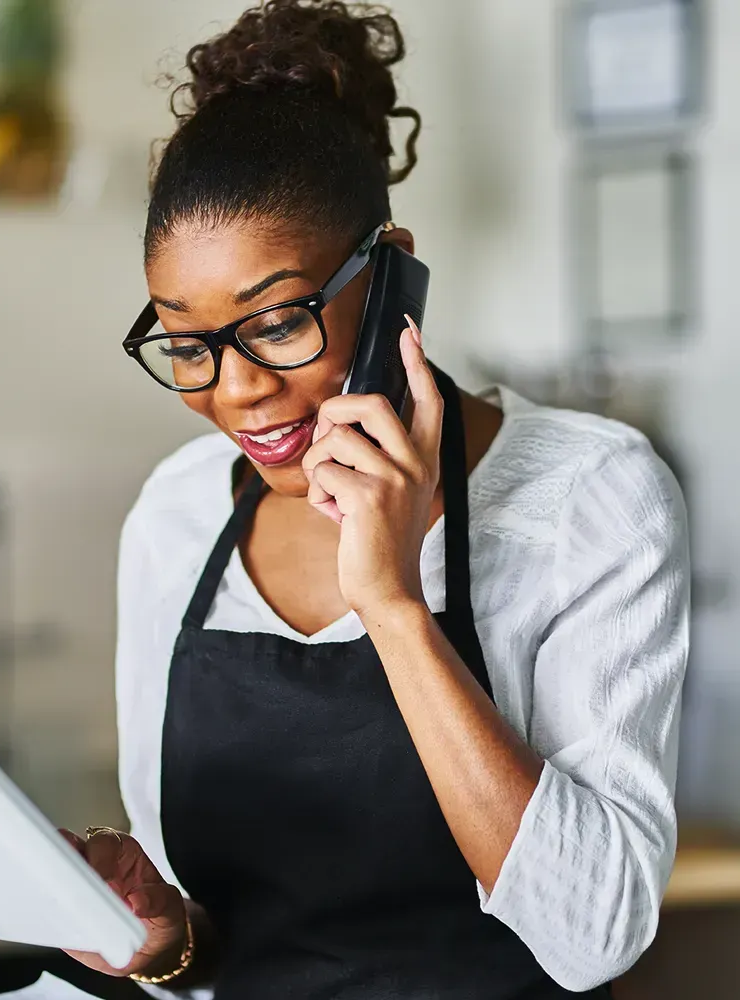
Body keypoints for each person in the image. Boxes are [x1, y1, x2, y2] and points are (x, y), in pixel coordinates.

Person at [62, 2, 690, 997]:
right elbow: (211, 936)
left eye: (275, 324)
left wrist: (394, 606)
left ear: (389, 267)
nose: (234, 392)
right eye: (186, 345)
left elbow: (593, 936)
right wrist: (155, 935)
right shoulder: (177, 516)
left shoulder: (587, 496)